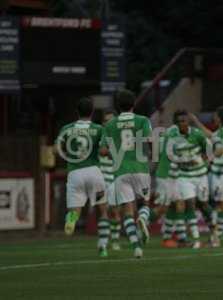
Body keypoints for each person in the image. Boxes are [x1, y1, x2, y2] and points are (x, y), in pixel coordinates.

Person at [100, 89, 152, 258]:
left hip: (120, 172)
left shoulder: (109, 125)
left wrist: (115, 152)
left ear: (117, 106)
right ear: (134, 103)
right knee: (145, 203)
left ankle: (137, 248)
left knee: (127, 211)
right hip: (141, 169)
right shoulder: (143, 120)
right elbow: (150, 140)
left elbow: (102, 151)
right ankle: (143, 218)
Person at [55, 97, 109, 257]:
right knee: (103, 210)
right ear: (92, 112)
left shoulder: (67, 128)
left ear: (77, 112)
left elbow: (56, 150)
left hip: (74, 173)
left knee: (76, 209)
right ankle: (103, 246)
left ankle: (72, 219)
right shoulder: (99, 129)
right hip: (94, 172)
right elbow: (103, 151)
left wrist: (68, 155)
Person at [189, 107, 223, 247]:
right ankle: (216, 236)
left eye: (215, 115)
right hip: (219, 172)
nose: (213, 117)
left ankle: (215, 236)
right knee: (220, 203)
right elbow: (209, 135)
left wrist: (208, 158)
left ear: (220, 117)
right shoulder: (221, 131)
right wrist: (196, 121)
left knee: (219, 204)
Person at [167, 110, 213, 248]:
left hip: (200, 175)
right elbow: (171, 156)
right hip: (184, 176)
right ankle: (196, 239)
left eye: (184, 120)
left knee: (204, 205)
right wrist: (184, 160)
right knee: (190, 203)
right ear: (176, 124)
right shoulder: (173, 137)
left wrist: (205, 162)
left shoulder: (197, 134)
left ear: (188, 122)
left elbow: (209, 149)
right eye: (179, 121)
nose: (182, 123)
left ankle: (214, 233)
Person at [99, 109, 122, 251]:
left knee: (115, 212)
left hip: (116, 178)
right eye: (107, 120)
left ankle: (115, 240)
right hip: (101, 178)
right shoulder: (98, 136)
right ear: (103, 123)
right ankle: (103, 242)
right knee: (103, 211)